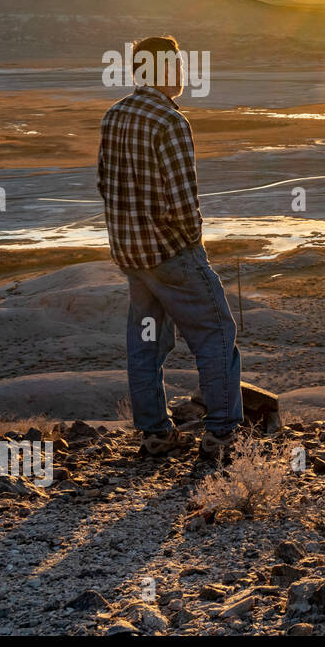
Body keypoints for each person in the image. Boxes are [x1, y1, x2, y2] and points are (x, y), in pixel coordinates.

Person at [96, 35, 241, 460]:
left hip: (132, 256)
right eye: (176, 66)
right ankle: (220, 435)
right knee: (215, 336)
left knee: (146, 344)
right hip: (172, 255)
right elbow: (182, 203)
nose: (183, 73)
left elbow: (105, 185)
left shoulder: (115, 116)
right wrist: (192, 244)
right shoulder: (170, 123)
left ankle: (155, 434)